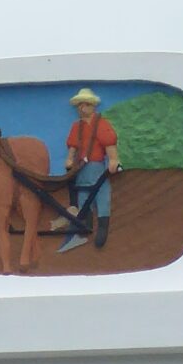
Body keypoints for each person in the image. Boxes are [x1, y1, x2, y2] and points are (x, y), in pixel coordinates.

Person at [60, 87, 120, 253]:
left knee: (102, 196)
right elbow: (73, 146)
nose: (81, 108)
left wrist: (113, 159)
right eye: (79, 105)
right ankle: (85, 224)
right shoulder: (76, 126)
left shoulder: (101, 124)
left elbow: (109, 143)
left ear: (92, 106)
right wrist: (70, 159)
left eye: (85, 104)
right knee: (83, 195)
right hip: (81, 168)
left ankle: (102, 227)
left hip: (97, 167)